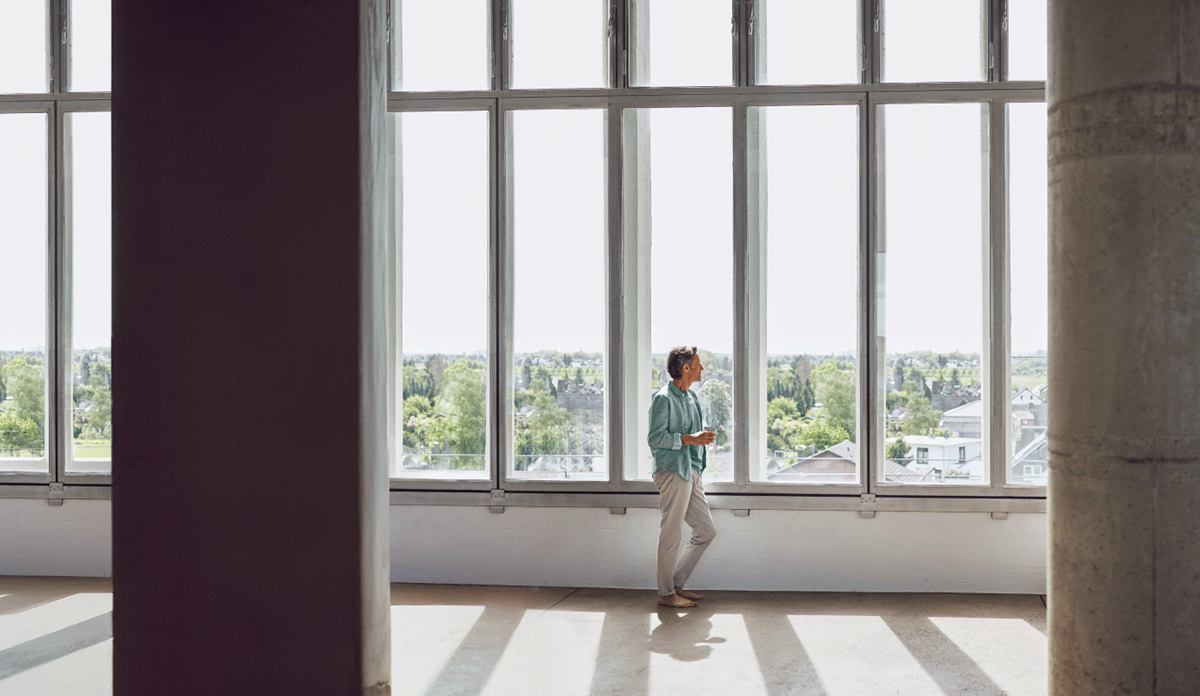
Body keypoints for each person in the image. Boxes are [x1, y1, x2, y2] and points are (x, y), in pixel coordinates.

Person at [648, 346, 717, 608]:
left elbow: (694, 437)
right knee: (671, 534)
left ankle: (675, 584)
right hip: (673, 471)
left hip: (691, 470)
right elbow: (655, 439)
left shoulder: (691, 398)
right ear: (686, 368)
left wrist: (700, 442)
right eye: (698, 364)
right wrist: (690, 439)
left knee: (706, 531)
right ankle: (666, 594)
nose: (702, 368)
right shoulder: (663, 399)